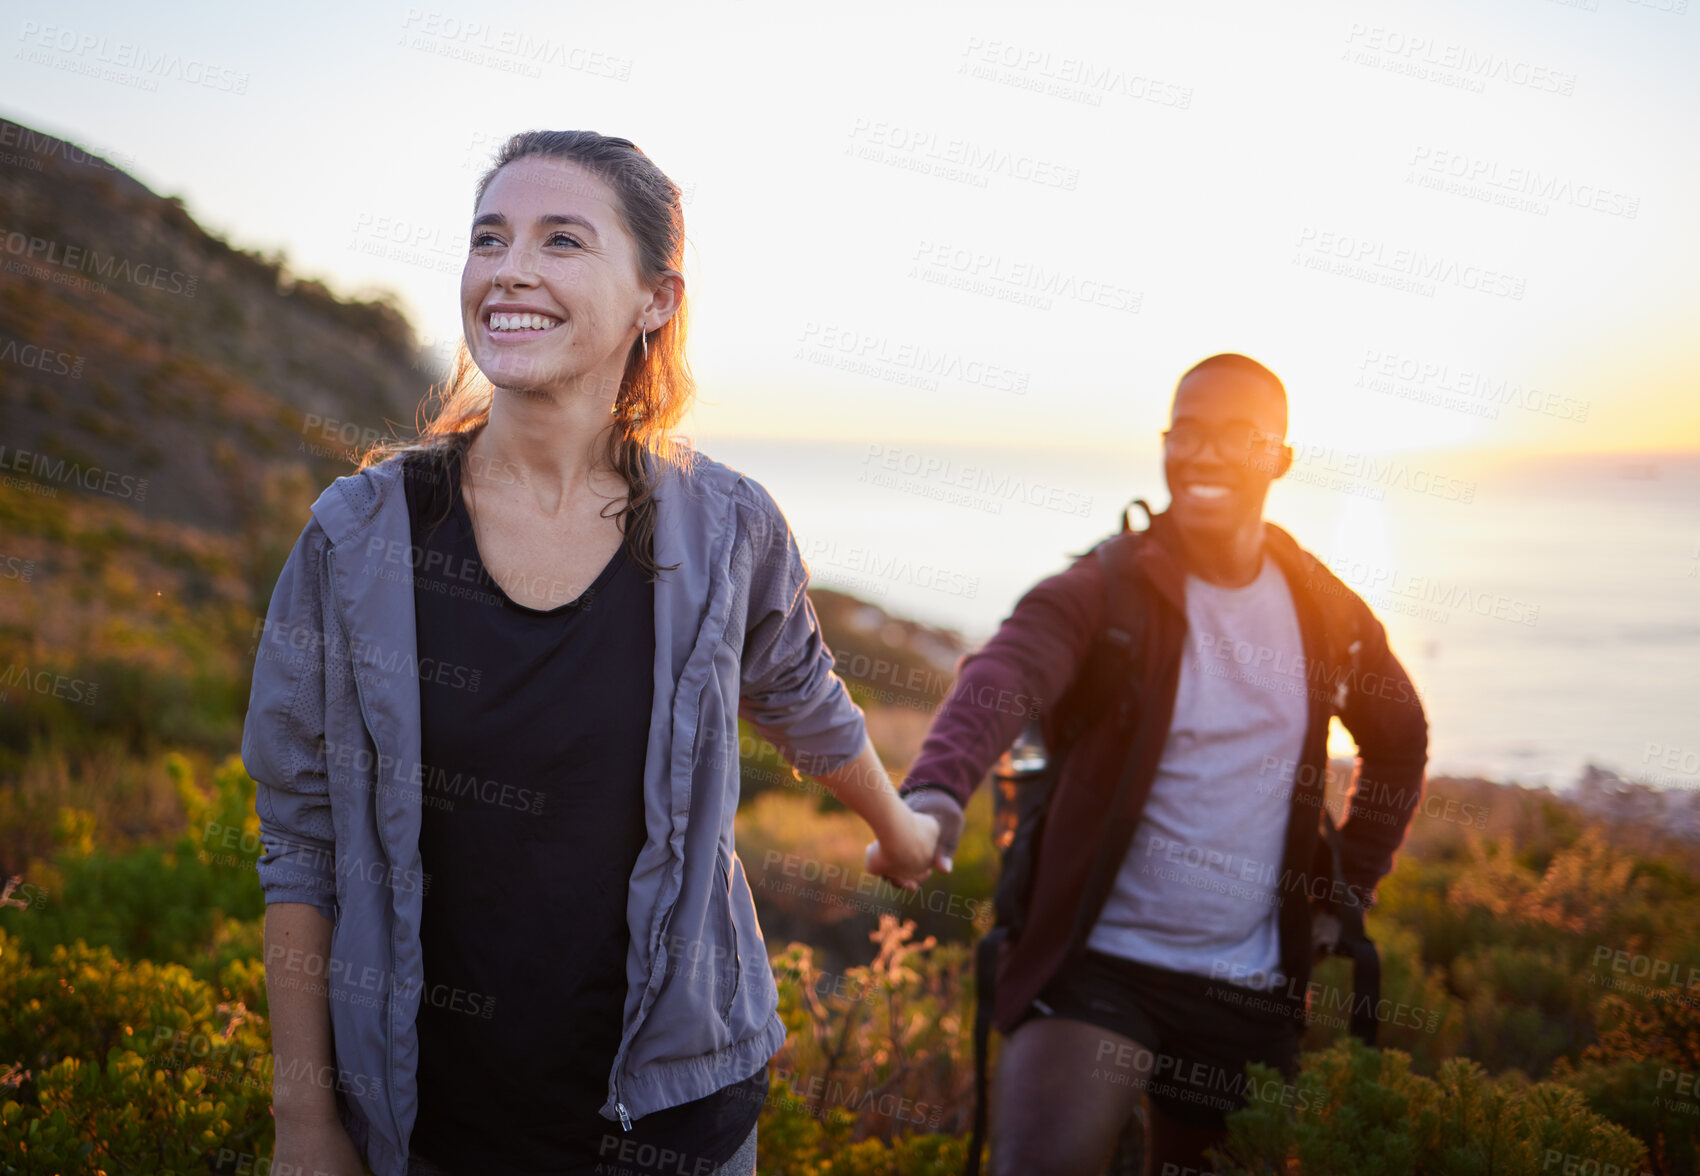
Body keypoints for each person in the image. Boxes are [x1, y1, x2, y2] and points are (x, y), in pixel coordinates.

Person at [241, 130, 940, 1176]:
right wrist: (306, 1124)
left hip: (678, 1116)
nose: (509, 268)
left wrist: (900, 828)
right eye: (489, 238)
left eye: (561, 240)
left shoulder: (727, 526)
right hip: (428, 1124)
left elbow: (798, 691)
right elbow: (300, 839)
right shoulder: (358, 539)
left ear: (655, 299)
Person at [892, 354, 1430, 1175]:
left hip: (1248, 988)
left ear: (1280, 458)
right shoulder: (1107, 589)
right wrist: (936, 788)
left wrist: (1346, 889)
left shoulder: (1323, 611)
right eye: (1187, 433)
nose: (1205, 455)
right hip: (1095, 964)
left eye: (1235, 436)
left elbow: (1400, 737)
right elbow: (1005, 673)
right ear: (1165, 444)